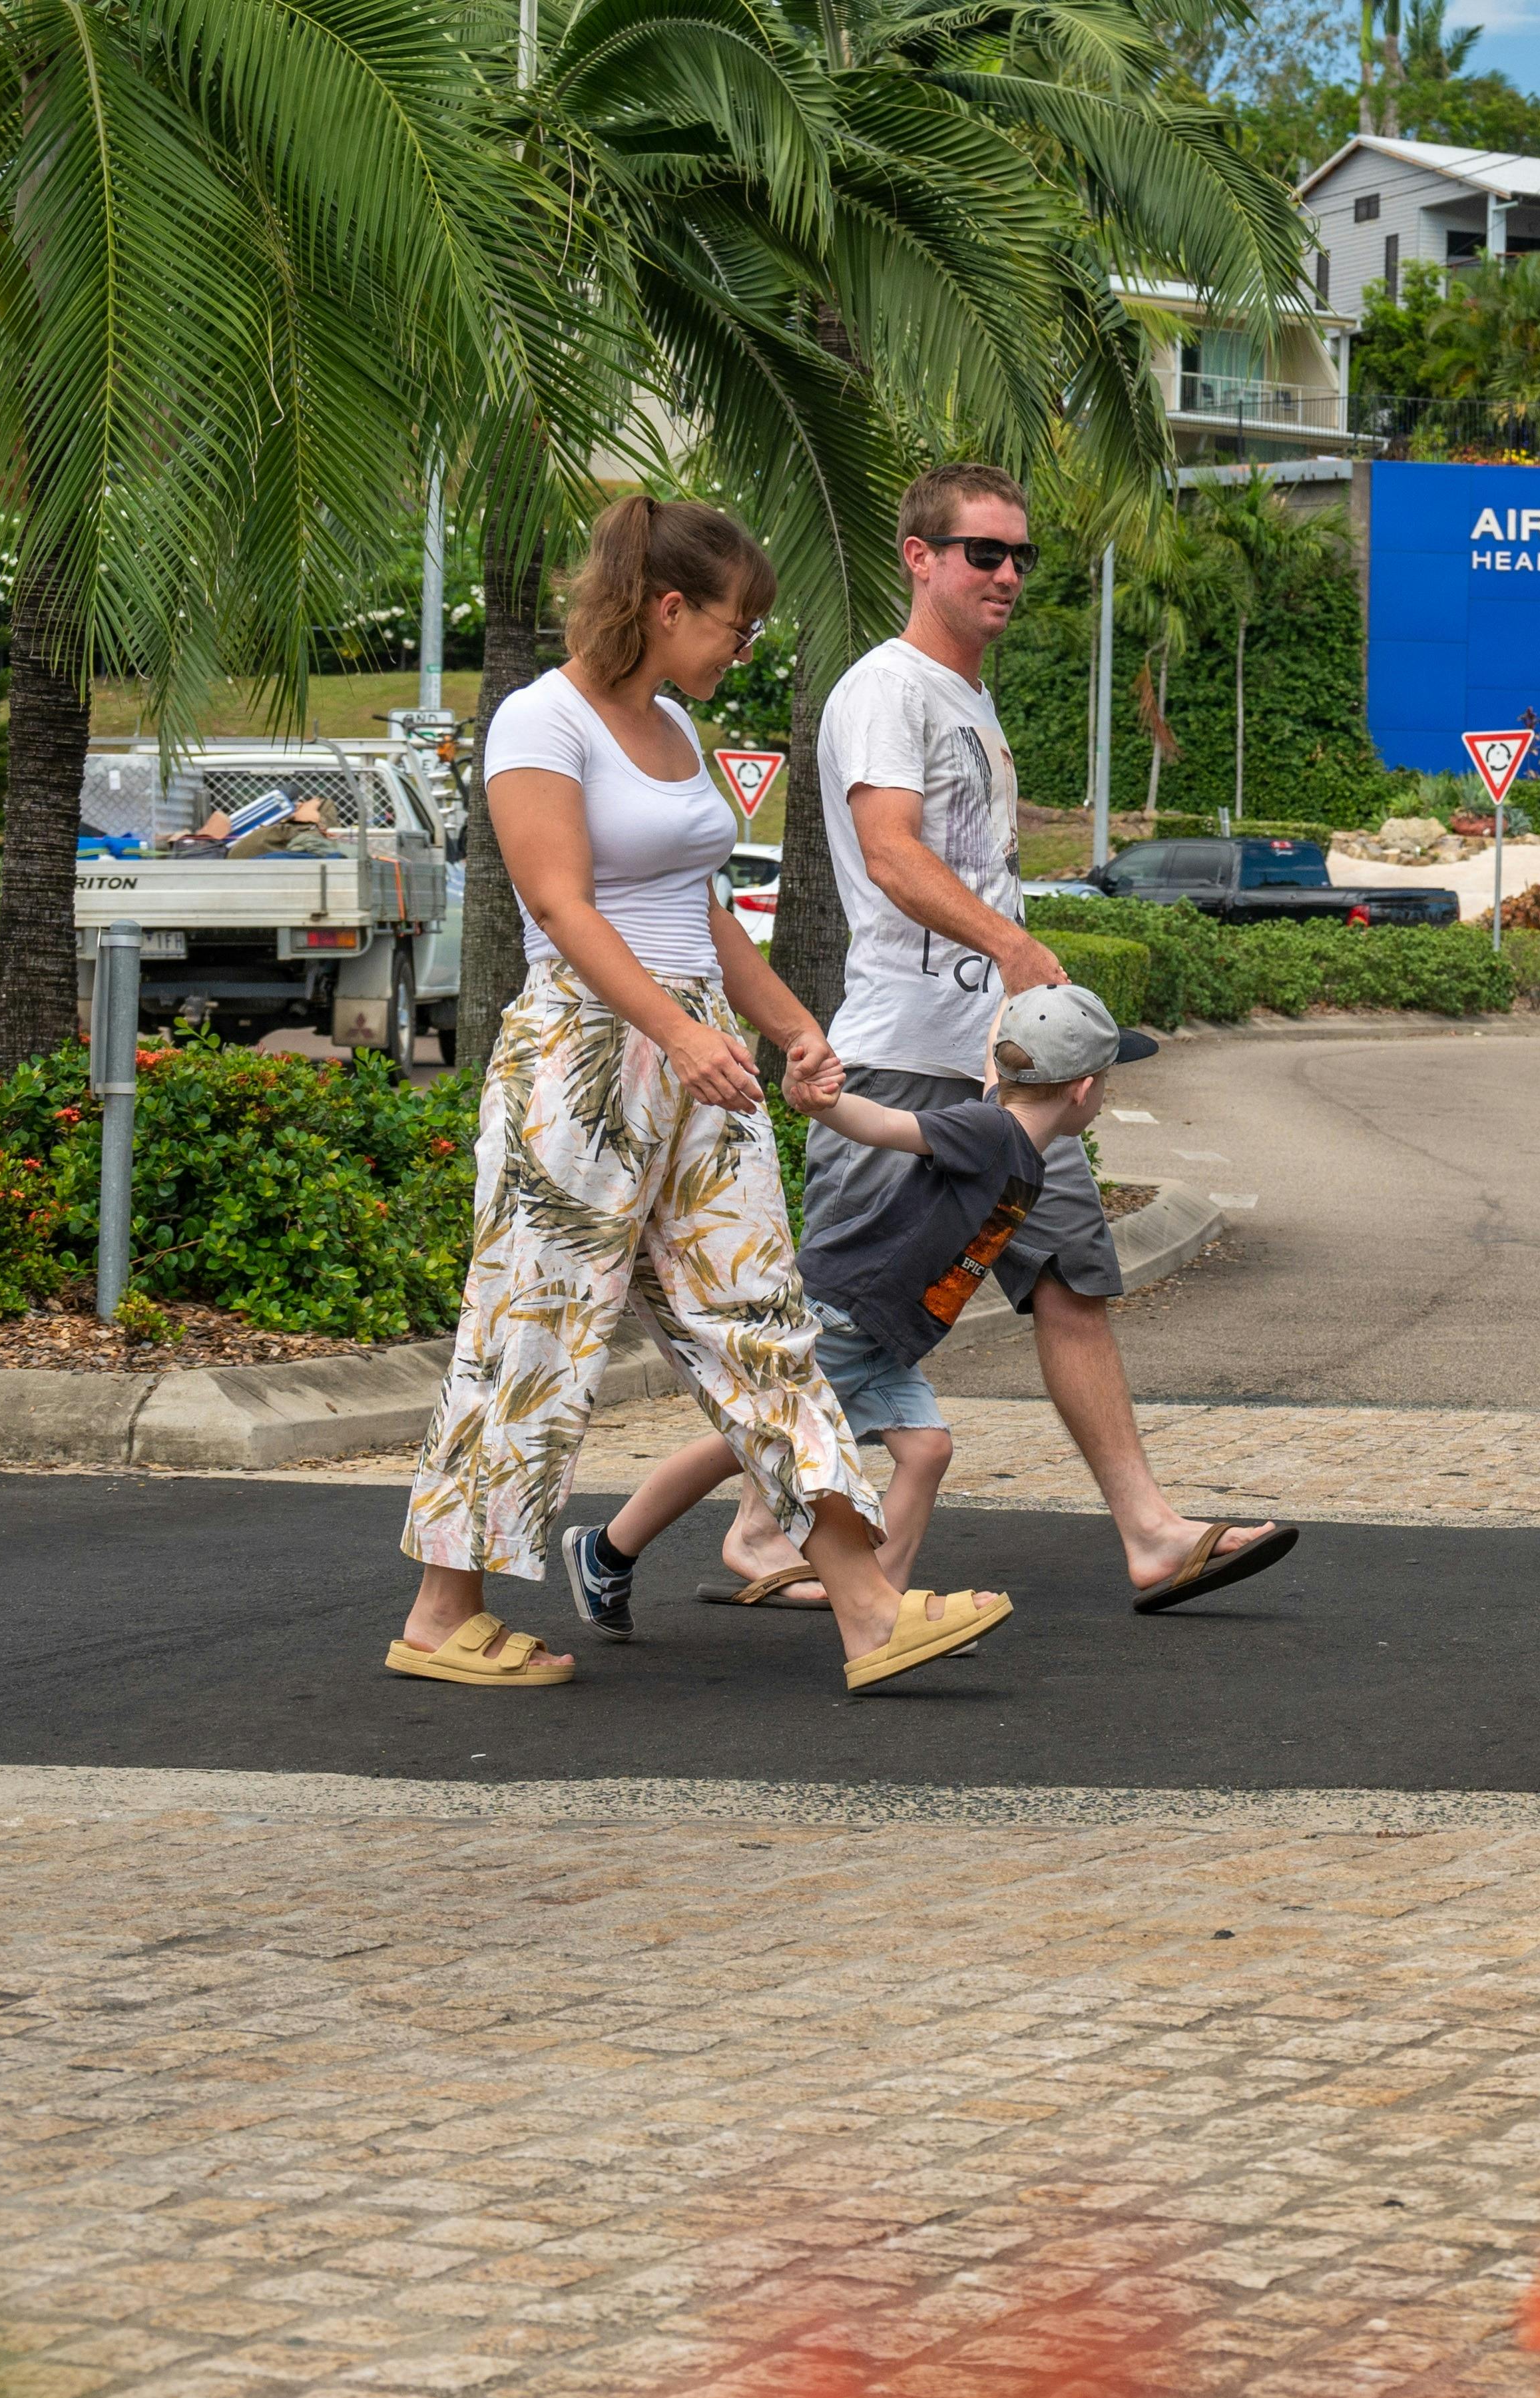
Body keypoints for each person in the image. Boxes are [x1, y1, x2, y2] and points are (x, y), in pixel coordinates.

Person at [391, 491, 1011, 1696]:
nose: (745, 645)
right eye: (735, 622)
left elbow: (698, 907)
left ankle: (866, 1604)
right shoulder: (540, 721)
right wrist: (674, 1033)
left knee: (763, 1321)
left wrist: (786, 1026)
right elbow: (565, 908)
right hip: (581, 1053)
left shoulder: (670, 723)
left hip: (695, 1049)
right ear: (667, 606)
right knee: (532, 1325)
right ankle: (438, 1610)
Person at [702, 459, 1292, 1616]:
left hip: (1007, 1067)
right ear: (919, 557)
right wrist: (1019, 952)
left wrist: (1028, 995)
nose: (1009, 572)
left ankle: (1152, 1534)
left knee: (1071, 1277)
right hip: (905, 1053)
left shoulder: (966, 697)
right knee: (846, 1316)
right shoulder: (889, 688)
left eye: (1021, 554)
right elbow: (892, 855)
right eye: (984, 551)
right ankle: (753, 1527)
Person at [561, 985, 1145, 1634]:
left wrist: (1010, 992)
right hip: (846, 1315)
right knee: (747, 1442)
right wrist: (827, 1103)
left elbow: (994, 1068)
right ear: (1083, 1090)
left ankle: (885, 1611)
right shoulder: (988, 1131)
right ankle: (606, 1549)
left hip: (884, 1338)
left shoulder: (1000, 1119)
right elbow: (891, 1126)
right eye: (1109, 1085)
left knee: (926, 1451)